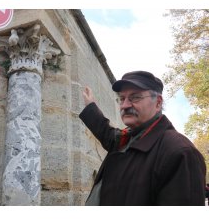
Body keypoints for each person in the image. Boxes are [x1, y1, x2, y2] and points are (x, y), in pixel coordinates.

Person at [79, 70, 206, 205]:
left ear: (158, 103)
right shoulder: (129, 137)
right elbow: (109, 136)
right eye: (122, 99)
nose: (125, 105)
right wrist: (91, 108)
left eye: (135, 98)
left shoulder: (180, 152)